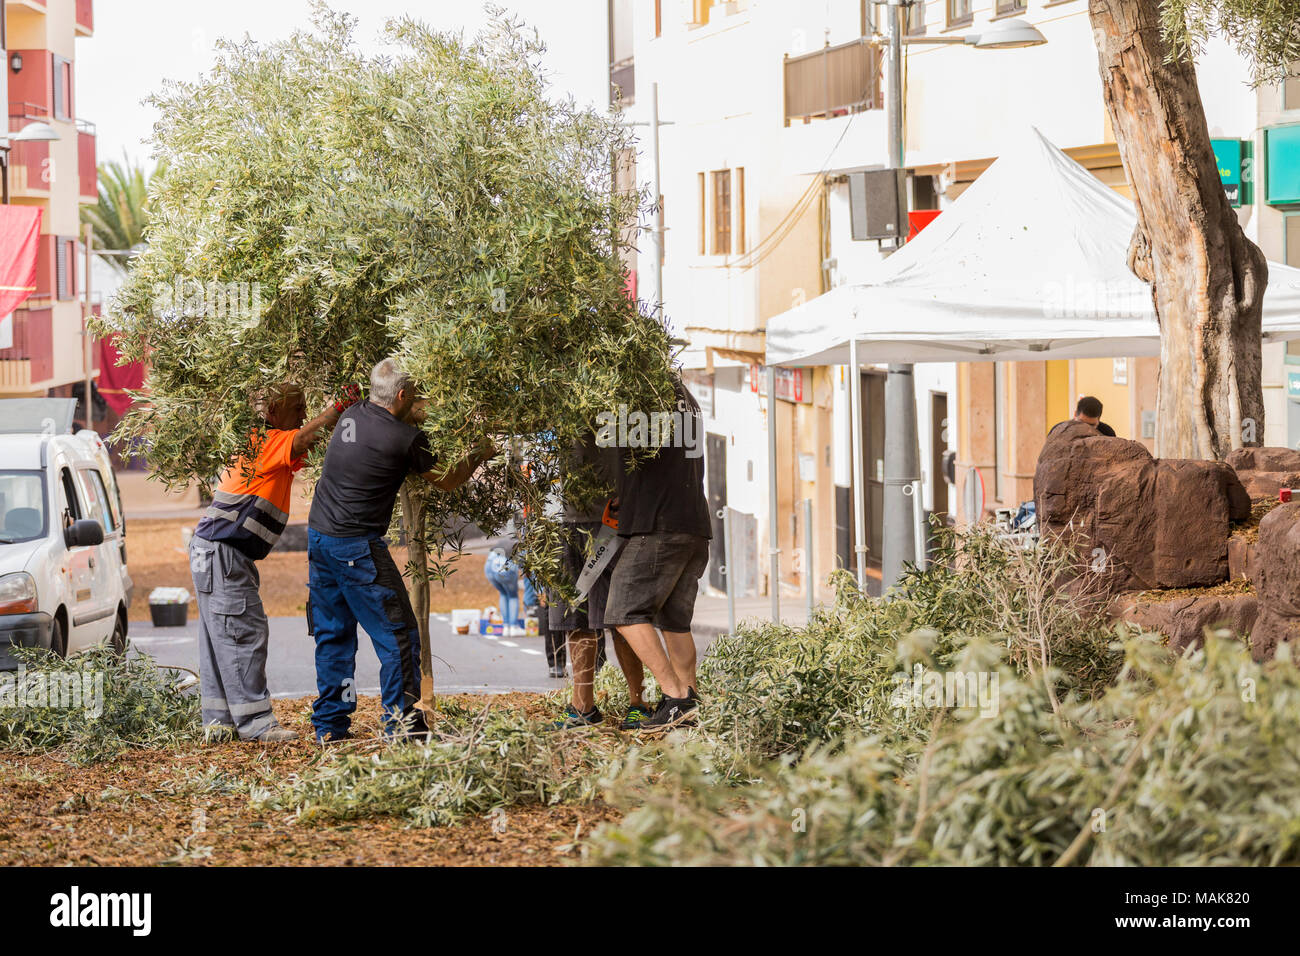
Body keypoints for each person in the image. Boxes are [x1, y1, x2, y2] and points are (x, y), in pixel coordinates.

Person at [307, 358, 493, 742]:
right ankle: (404, 728)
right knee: (400, 636)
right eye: (418, 396)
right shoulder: (404, 439)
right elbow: (449, 479)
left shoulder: (353, 414)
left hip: (319, 538)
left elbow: (398, 421)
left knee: (333, 634)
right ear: (404, 395)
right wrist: (480, 451)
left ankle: (330, 727)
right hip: (356, 547)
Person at [191, 382, 349, 743]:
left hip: (215, 551)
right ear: (274, 410)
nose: (303, 416)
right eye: (297, 408)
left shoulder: (267, 442)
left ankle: (220, 724)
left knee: (221, 636)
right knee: (243, 633)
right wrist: (339, 406)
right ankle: (256, 724)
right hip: (223, 551)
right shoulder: (267, 439)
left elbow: (308, 446)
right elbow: (304, 439)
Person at [604, 377, 711, 731]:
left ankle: (675, 695)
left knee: (623, 610)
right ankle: (690, 702)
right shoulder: (686, 396)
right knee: (674, 621)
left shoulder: (635, 390)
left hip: (659, 526)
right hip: (693, 523)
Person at [547, 436, 651, 731]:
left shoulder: (616, 394)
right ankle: (583, 707)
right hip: (562, 519)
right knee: (575, 620)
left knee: (622, 618)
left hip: (610, 520)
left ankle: (638, 703)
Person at [1050, 396, 1116, 438]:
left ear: (1098, 420)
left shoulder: (1107, 433)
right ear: (1075, 414)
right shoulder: (1059, 430)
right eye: (1081, 422)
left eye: (1091, 425)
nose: (1085, 428)